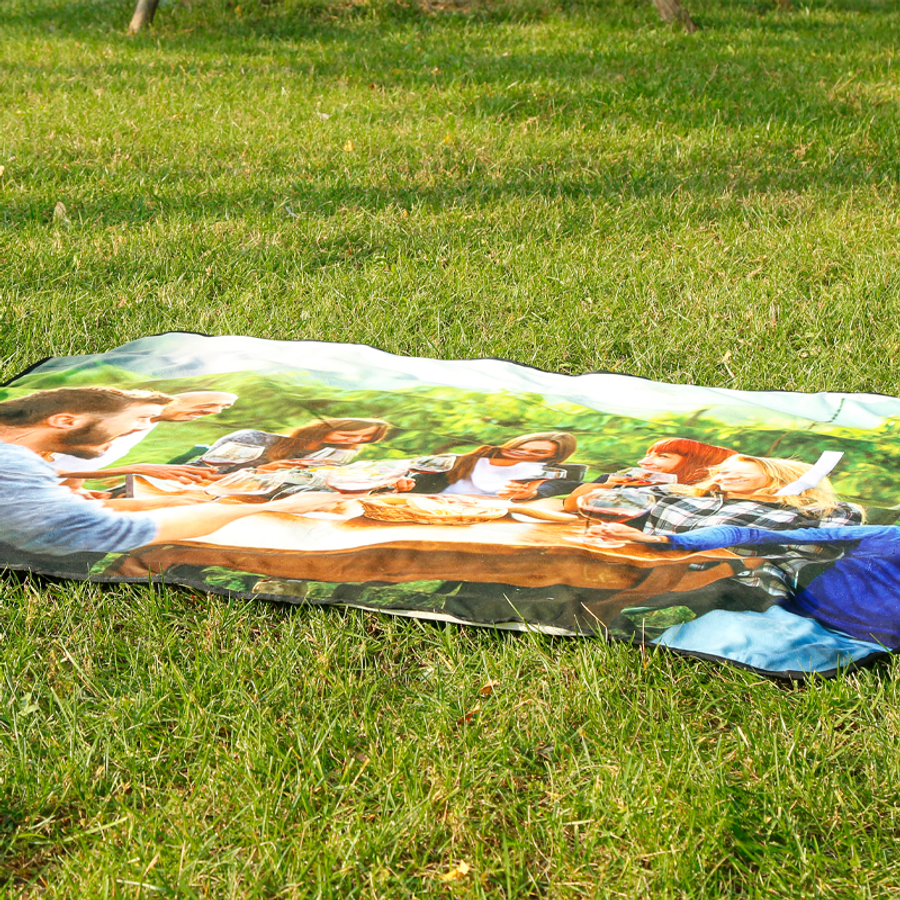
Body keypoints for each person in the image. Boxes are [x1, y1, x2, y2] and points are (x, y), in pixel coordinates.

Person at [0, 388, 337, 576]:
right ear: (64, 420)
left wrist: (162, 501)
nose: (139, 427)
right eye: (138, 419)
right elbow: (110, 531)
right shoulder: (14, 466)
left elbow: (49, 501)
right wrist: (284, 506)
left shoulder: (22, 457)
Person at [568, 454, 864, 612]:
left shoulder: (824, 510)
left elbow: (823, 550)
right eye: (720, 472)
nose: (723, 476)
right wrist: (609, 482)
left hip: (736, 578)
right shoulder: (684, 495)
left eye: (739, 470)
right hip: (640, 561)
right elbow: (582, 503)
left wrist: (735, 563)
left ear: (777, 475)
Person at [588, 521, 894, 673]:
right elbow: (753, 535)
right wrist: (662, 539)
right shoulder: (888, 535)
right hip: (798, 615)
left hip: (860, 638)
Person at [53, 391, 238, 485]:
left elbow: (79, 461)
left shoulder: (148, 421)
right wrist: (137, 469)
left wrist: (74, 487)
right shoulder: (107, 417)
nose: (206, 413)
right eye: (204, 408)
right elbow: (33, 468)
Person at [519, 437, 736, 501]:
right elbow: (573, 488)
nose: (643, 462)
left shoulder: (699, 498)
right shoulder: (632, 479)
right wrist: (537, 491)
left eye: (662, 456)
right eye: (648, 454)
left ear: (696, 466)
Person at [400, 432, 577, 497]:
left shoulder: (543, 474)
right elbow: (418, 476)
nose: (523, 453)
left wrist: (533, 493)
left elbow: (560, 488)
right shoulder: (466, 459)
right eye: (521, 447)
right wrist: (406, 482)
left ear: (550, 458)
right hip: (440, 508)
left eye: (538, 452)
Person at [202, 417, 391, 472]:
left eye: (365, 440)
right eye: (347, 435)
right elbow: (197, 476)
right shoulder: (252, 440)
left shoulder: (338, 451)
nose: (355, 442)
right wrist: (260, 471)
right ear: (323, 428)